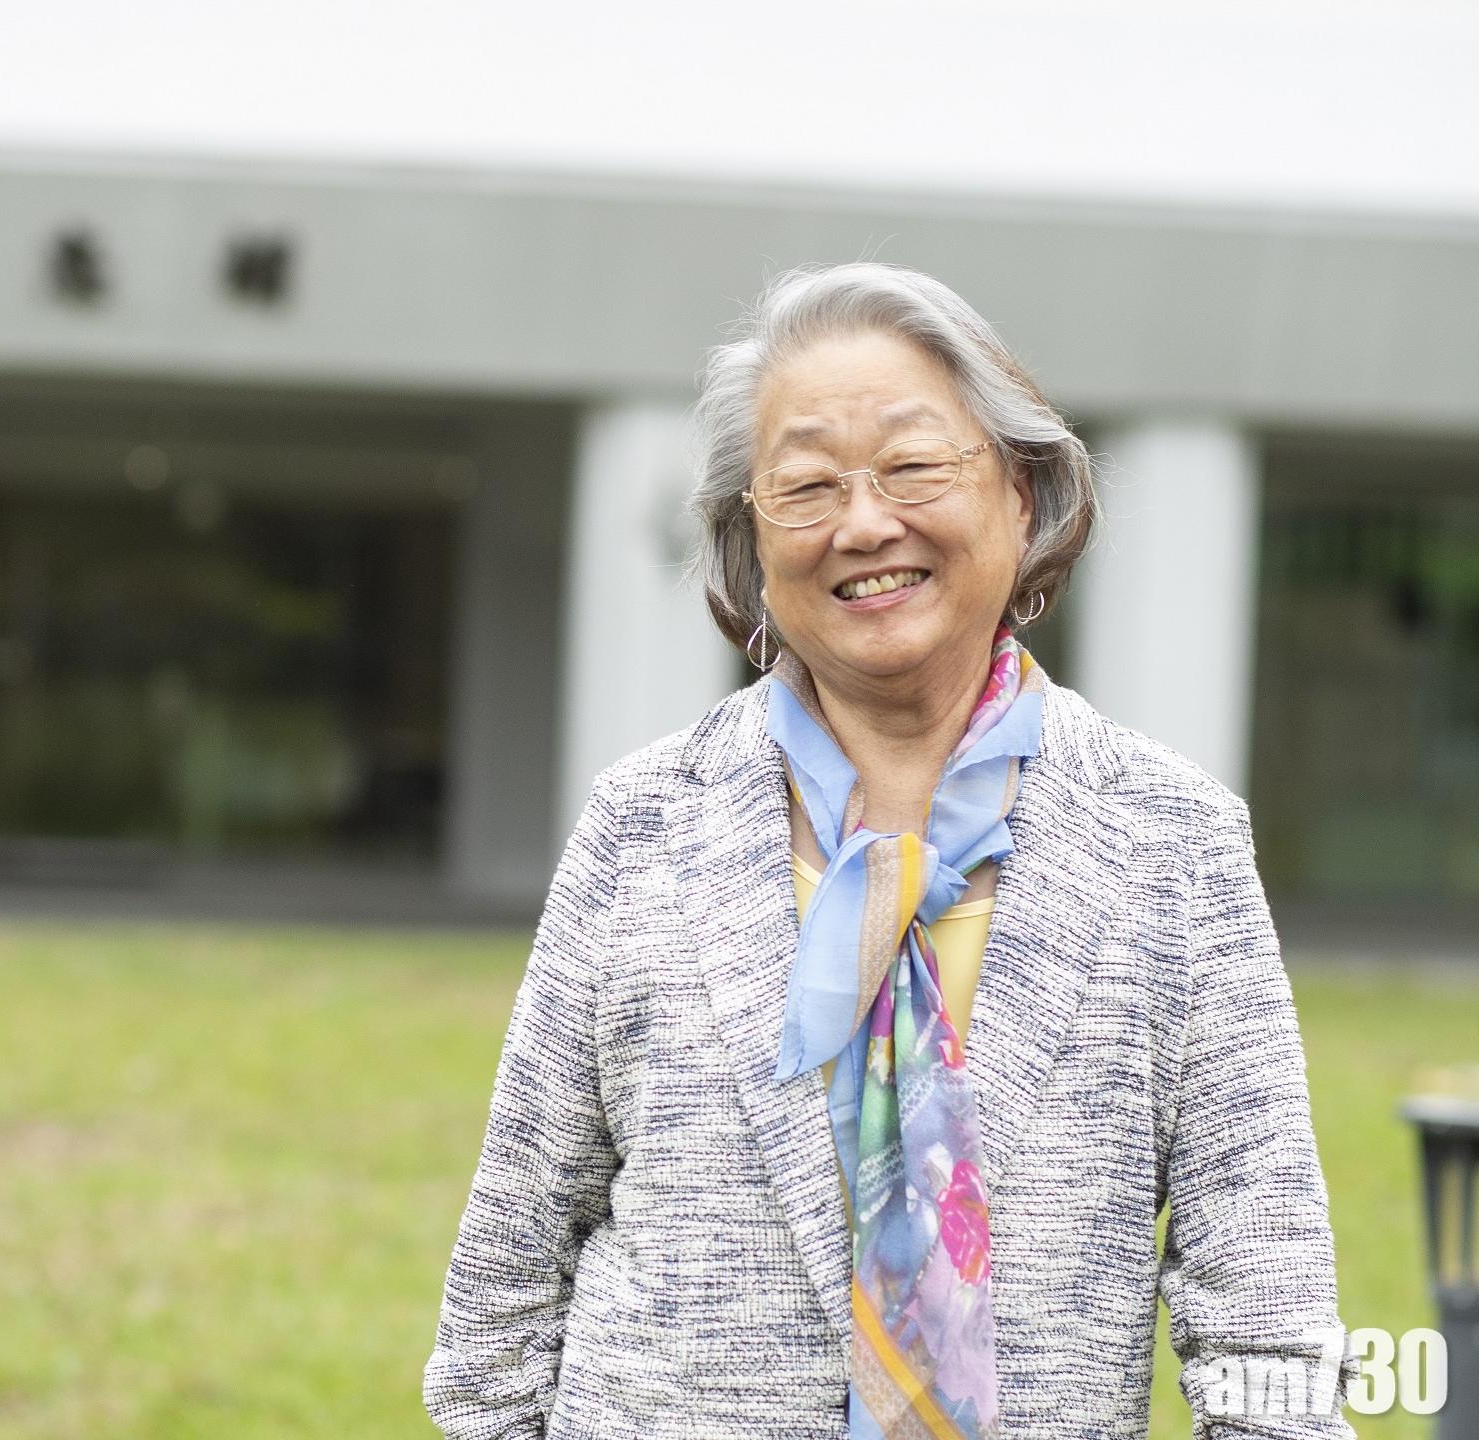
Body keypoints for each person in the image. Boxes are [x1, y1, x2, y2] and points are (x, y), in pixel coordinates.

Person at [422, 261, 1352, 1438]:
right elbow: (507, 1280)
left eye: (915, 466)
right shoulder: (641, 828)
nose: (865, 524)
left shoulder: (1173, 845)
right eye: (805, 487)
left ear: (1024, 494)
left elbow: (1265, 1321)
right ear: (751, 544)